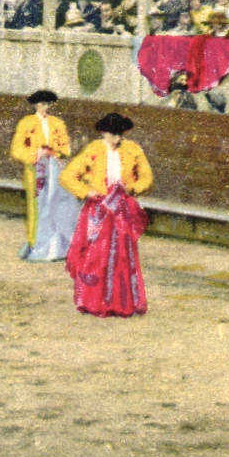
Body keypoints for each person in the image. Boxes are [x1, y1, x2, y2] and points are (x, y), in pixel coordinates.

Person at [59, 113, 153, 318]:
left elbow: (146, 177)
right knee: (94, 255)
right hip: (98, 210)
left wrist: (133, 188)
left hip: (121, 210)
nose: (117, 139)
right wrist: (86, 191)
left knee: (122, 256)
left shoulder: (133, 149)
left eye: (120, 135)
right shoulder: (93, 149)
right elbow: (67, 175)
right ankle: (93, 301)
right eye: (112, 135)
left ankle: (120, 303)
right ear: (103, 132)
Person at [10, 90, 79, 263]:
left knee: (57, 203)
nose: (44, 107)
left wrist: (55, 152)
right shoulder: (26, 123)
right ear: (35, 105)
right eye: (41, 104)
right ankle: (37, 245)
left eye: (47, 104)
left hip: (55, 167)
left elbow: (66, 147)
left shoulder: (57, 123)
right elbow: (17, 149)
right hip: (36, 169)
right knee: (38, 206)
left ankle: (58, 247)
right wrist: (36, 153)